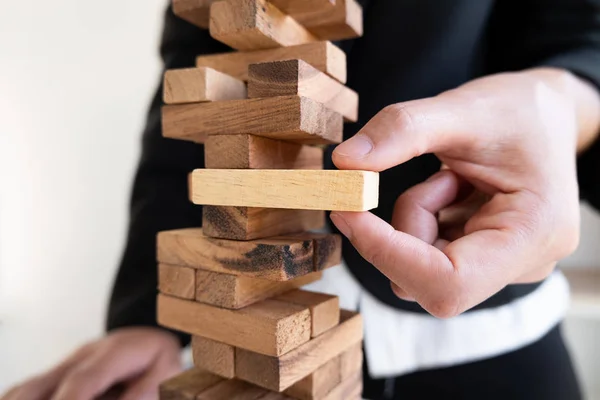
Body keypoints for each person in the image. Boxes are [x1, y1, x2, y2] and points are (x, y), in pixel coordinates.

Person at [3, 0, 600, 399]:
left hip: (485, 338)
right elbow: (193, 92)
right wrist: (154, 314)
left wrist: (562, 101)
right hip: (244, 341)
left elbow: (581, 36)